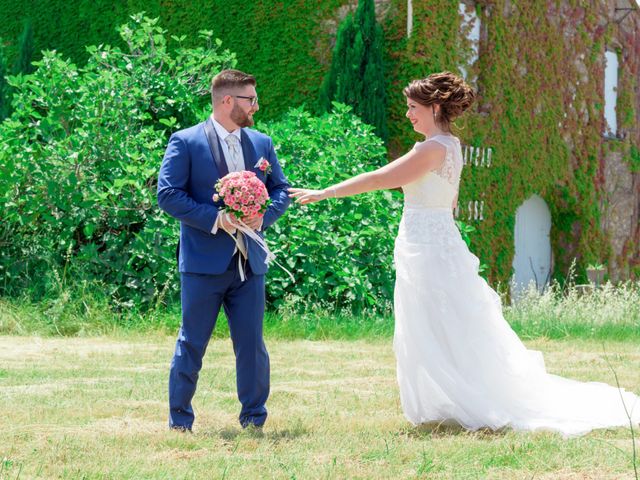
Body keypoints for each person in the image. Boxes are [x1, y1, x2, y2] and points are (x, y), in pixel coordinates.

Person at [289, 71, 640, 437]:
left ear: (434, 107)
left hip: (427, 246)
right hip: (438, 240)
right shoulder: (452, 146)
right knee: (450, 320)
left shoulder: (429, 148)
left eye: (412, 107)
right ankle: (453, 397)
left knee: (433, 321)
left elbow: (380, 178)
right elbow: (450, 200)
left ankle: (464, 398)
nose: (408, 114)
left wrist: (325, 191)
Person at [158, 69, 290, 431]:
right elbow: (167, 195)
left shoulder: (261, 143)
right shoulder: (185, 141)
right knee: (192, 342)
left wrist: (262, 216)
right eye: (251, 99)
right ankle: (180, 421)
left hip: (250, 263)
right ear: (227, 101)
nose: (256, 106)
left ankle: (254, 419)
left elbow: (281, 189)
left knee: (252, 345)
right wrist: (218, 219)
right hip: (203, 263)